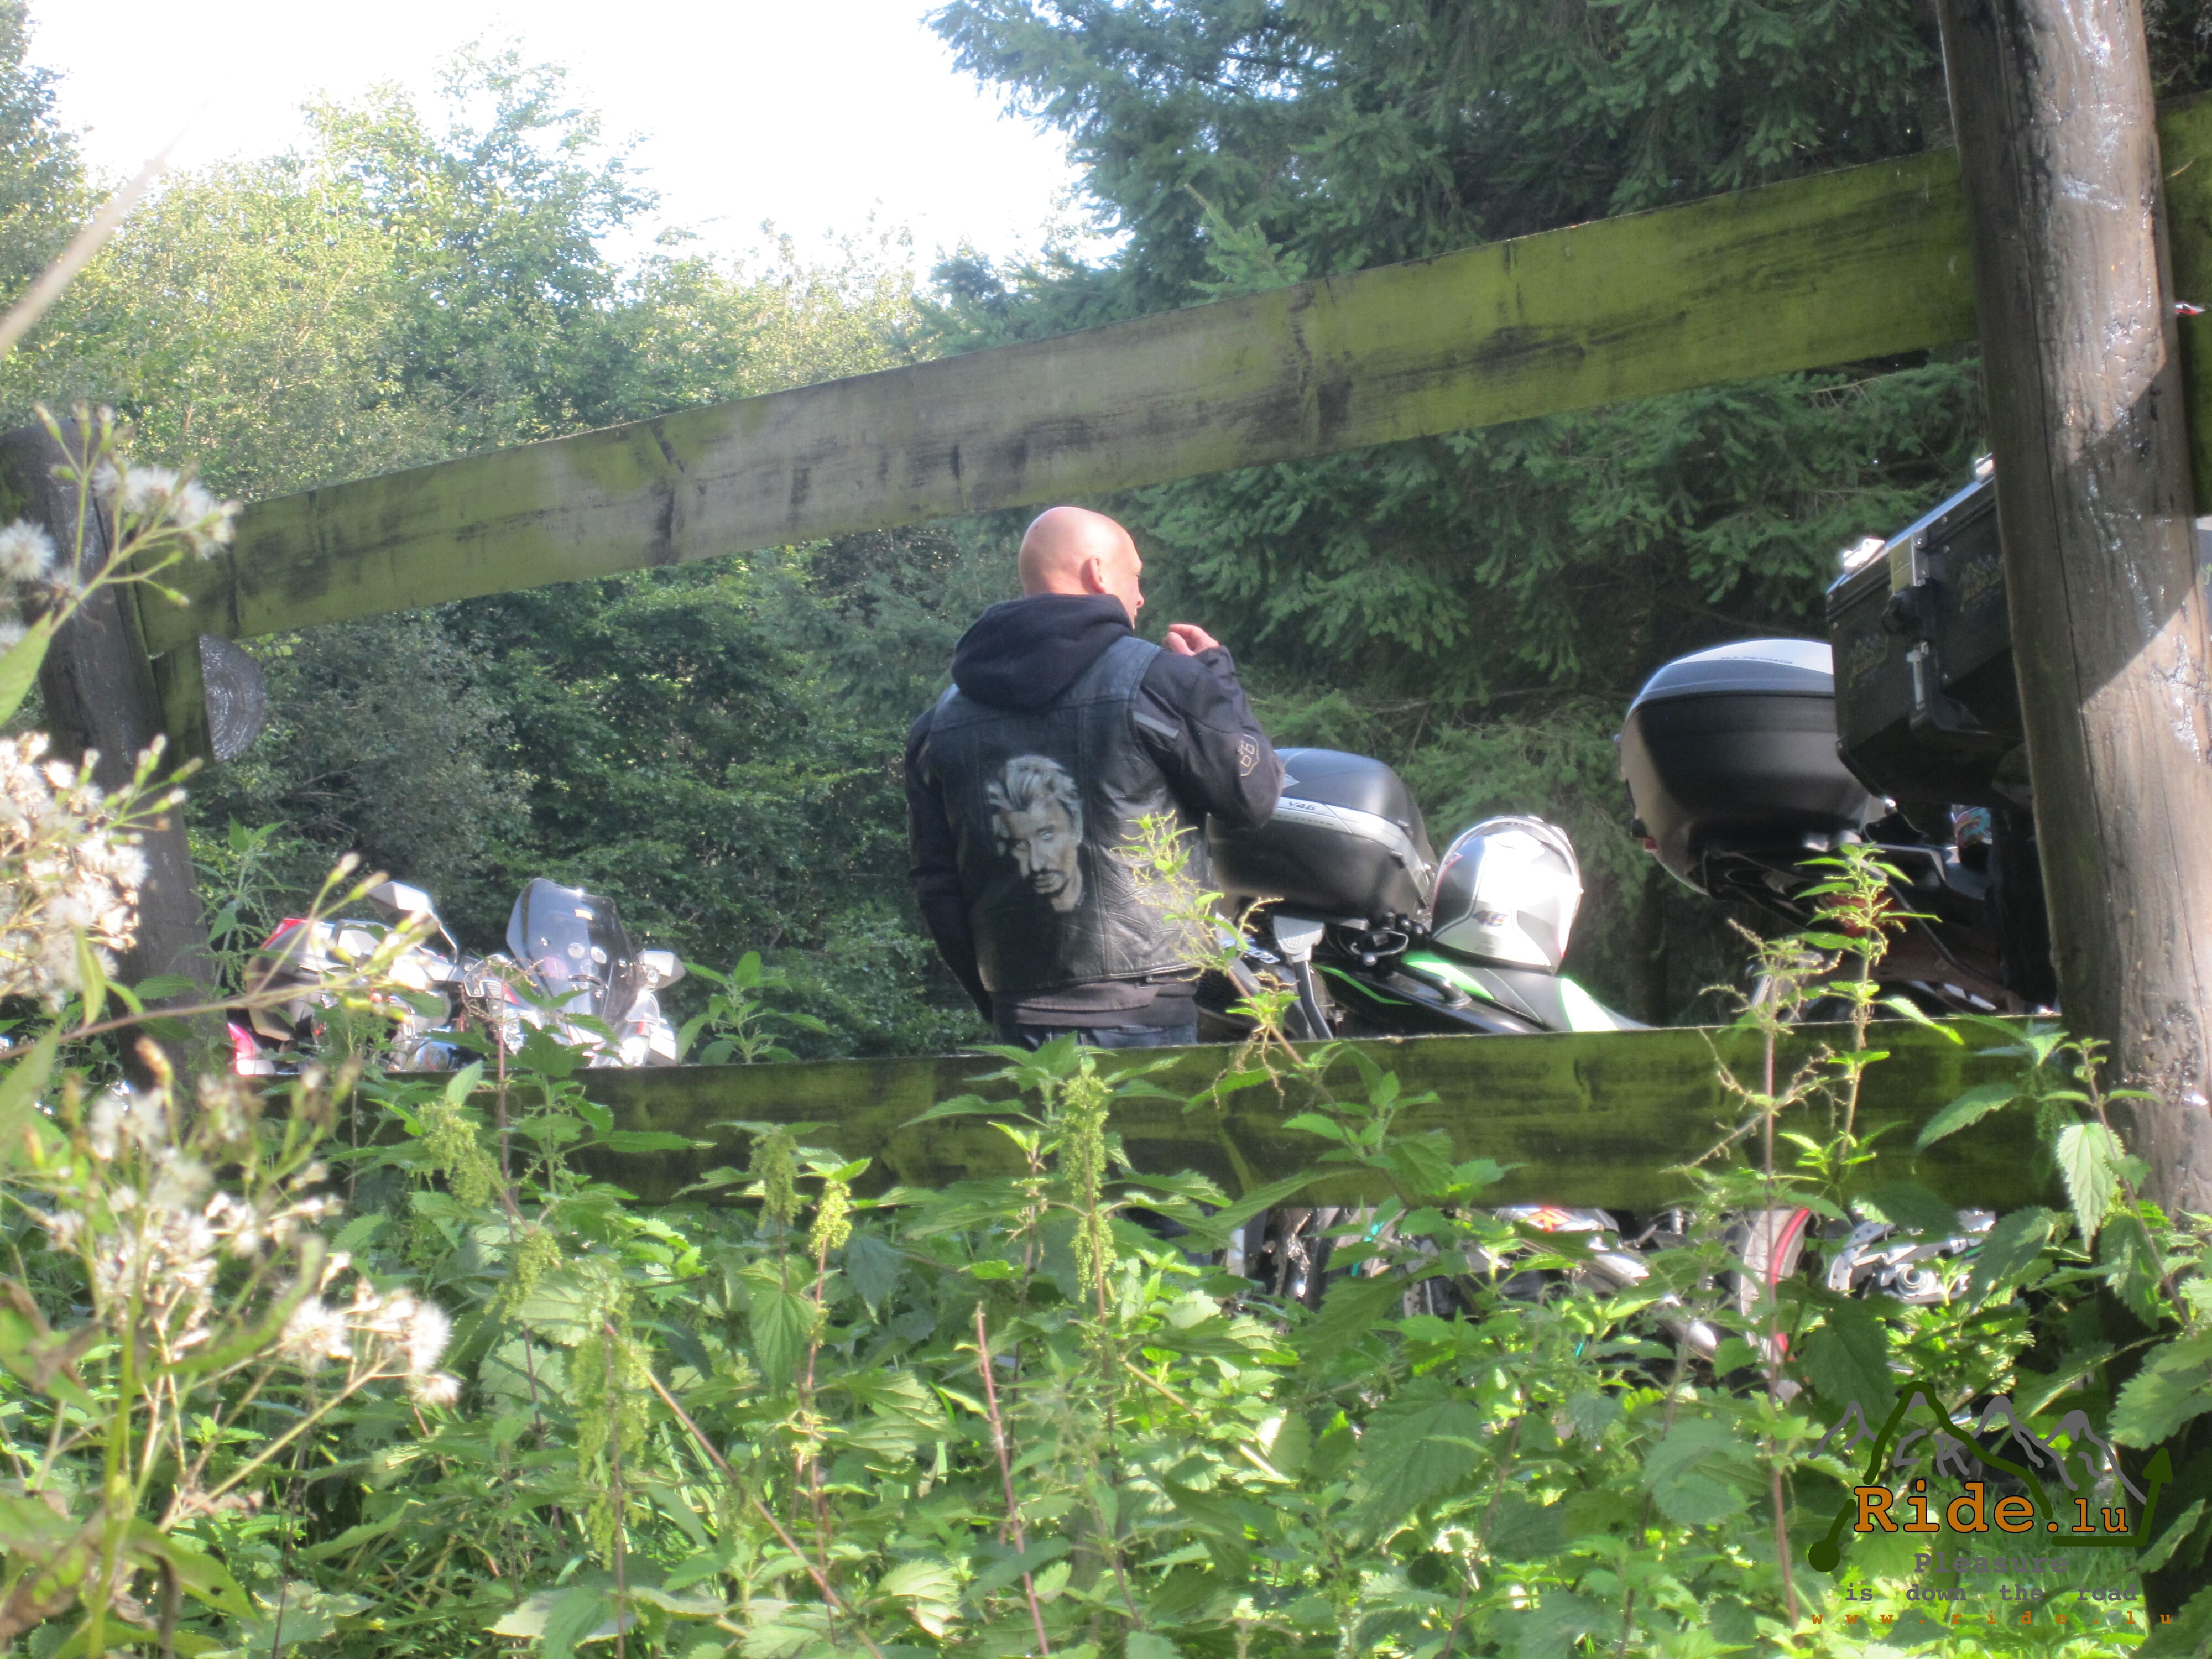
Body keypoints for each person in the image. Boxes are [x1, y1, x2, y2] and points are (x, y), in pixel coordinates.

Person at [906, 505, 1282, 1048]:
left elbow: (936, 886)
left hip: (1020, 1020)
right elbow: (1254, 797)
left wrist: (999, 999)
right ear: (1098, 573)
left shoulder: (937, 724)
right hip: (1148, 1013)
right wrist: (1217, 683)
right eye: (1136, 575)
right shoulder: (1159, 682)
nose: (1141, 596)